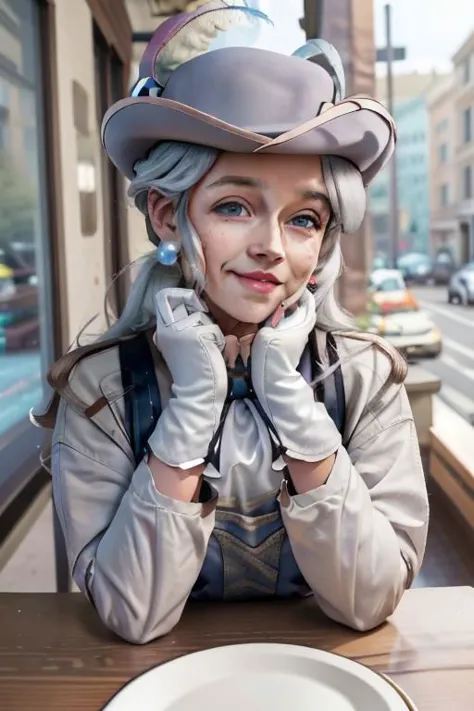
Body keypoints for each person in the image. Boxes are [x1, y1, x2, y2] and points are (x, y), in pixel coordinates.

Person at [33, 1, 428, 645]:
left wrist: (294, 405)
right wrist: (192, 407)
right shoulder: (101, 393)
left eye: (304, 218)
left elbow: (371, 600)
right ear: (166, 215)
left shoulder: (363, 379)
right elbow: (133, 614)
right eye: (235, 205)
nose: (272, 245)